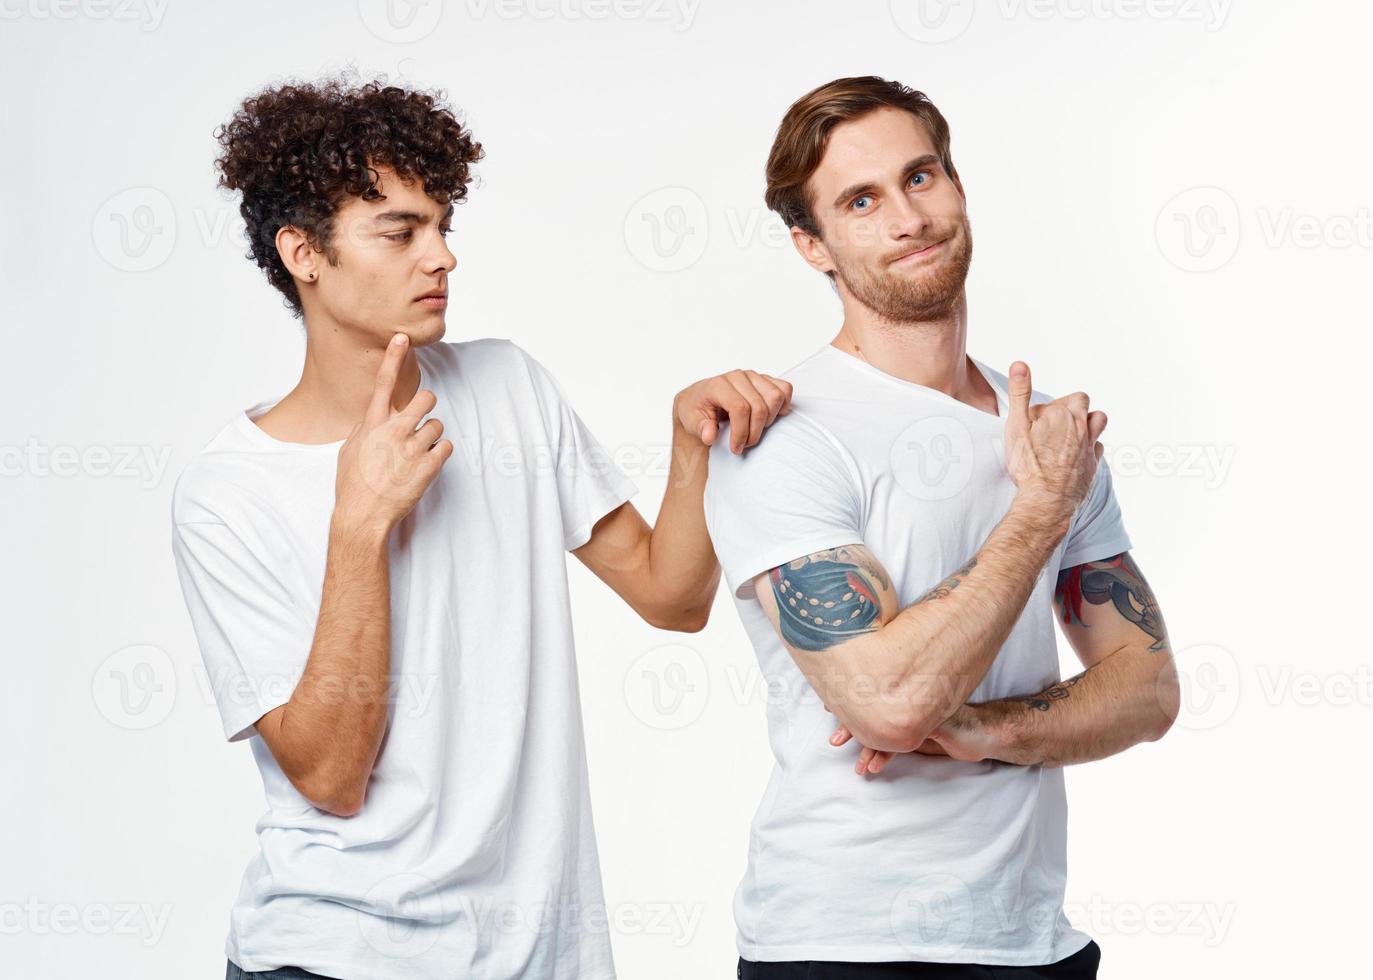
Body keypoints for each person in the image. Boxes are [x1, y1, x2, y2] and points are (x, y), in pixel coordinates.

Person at [170, 76, 795, 980]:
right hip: (332, 957)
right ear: (303, 253)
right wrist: (359, 524)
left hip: (537, 956)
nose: (442, 258)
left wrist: (690, 445)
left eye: (442, 226)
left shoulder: (509, 388)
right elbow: (331, 777)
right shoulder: (228, 492)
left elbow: (672, 597)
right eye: (400, 231)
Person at [702, 76, 1181, 978]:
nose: (907, 218)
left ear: (957, 186)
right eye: (861, 200)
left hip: (1031, 939)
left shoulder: (1045, 436)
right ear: (813, 245)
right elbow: (888, 704)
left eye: (921, 178)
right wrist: (1039, 510)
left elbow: (1149, 690)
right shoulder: (783, 437)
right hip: (841, 944)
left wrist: (989, 729)